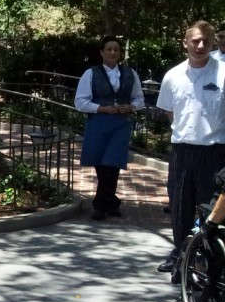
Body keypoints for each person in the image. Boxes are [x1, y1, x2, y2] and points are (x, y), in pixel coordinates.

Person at [155, 21, 225, 276]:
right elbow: (171, 114)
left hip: (215, 152)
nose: (200, 45)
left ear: (213, 43)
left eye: (206, 40)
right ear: (185, 43)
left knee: (211, 210)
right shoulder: (172, 76)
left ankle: (209, 259)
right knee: (180, 206)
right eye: (195, 40)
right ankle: (180, 254)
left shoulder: (224, 73)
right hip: (182, 151)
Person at [74, 35, 145, 220]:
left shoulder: (130, 73)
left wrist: (131, 107)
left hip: (120, 125)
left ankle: (100, 205)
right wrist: (101, 108)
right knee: (101, 162)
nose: (113, 53)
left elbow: (139, 98)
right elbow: (80, 102)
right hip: (98, 123)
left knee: (112, 163)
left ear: (120, 53)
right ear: (102, 52)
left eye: (116, 49)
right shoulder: (91, 73)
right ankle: (111, 202)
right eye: (109, 49)